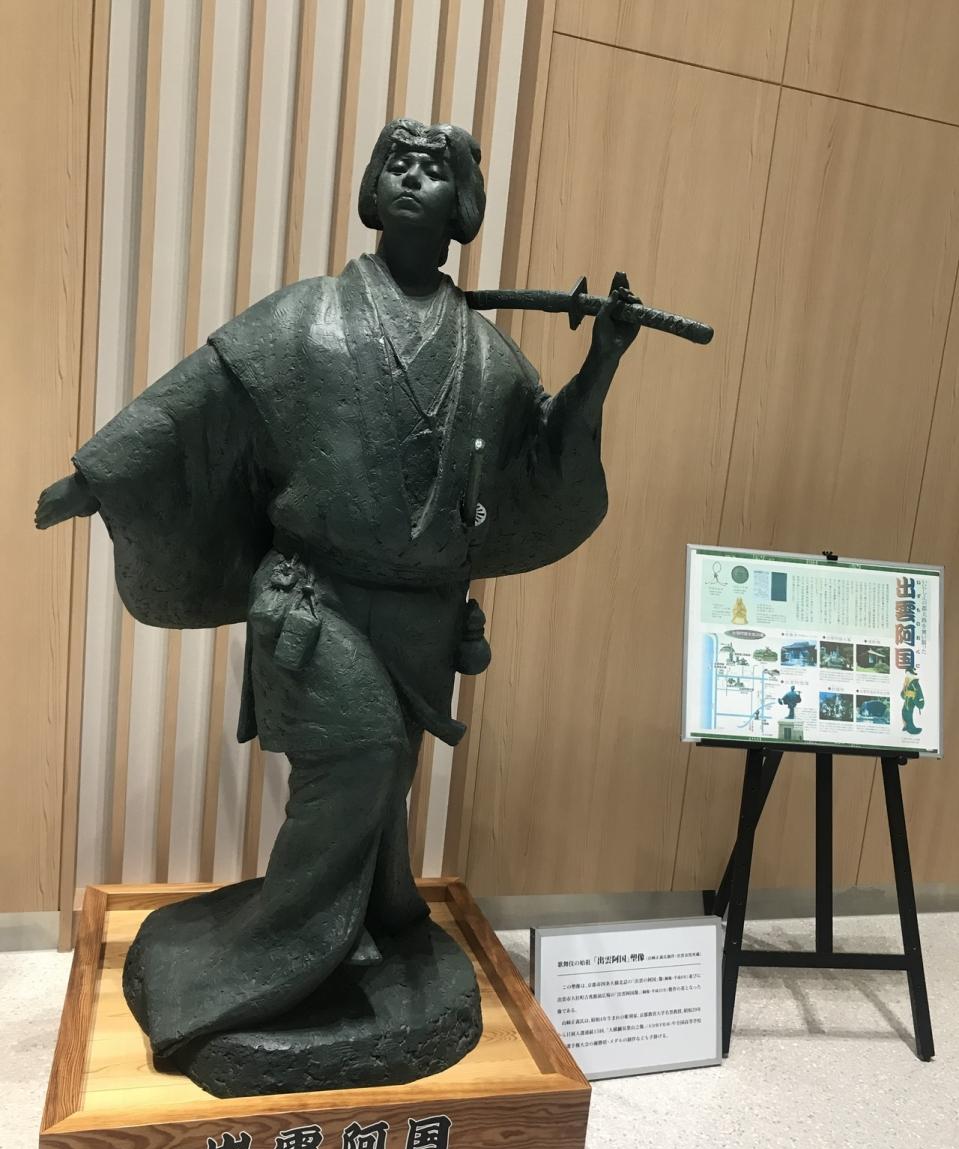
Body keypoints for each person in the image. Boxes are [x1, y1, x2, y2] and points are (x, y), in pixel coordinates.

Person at [36, 118, 640, 1059]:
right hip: (312, 599)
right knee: (358, 761)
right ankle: (265, 962)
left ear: (462, 204)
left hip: (424, 612)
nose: (411, 179)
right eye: (396, 163)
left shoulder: (486, 355)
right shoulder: (305, 316)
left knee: (390, 778)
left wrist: (602, 358)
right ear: (371, 187)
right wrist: (99, 475)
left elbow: (544, 455)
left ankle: (376, 922)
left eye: (432, 170)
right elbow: (199, 393)